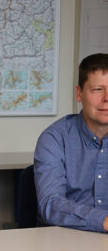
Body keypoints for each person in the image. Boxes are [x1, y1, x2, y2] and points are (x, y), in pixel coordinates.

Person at [34, 53, 108, 233]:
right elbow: (50, 204)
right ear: (79, 93)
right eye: (98, 89)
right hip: (66, 240)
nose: (106, 98)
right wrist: (103, 221)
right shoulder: (54, 139)